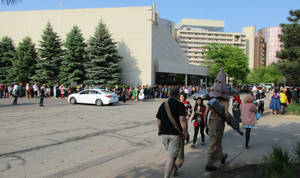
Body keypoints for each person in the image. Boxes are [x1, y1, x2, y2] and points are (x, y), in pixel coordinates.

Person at [156, 87, 188, 178]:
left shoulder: (163, 104)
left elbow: (158, 119)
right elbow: (182, 119)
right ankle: (166, 176)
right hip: (175, 135)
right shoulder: (180, 105)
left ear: (169, 94)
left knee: (171, 154)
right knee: (171, 157)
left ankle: (174, 169)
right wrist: (185, 131)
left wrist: (159, 129)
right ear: (178, 95)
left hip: (164, 135)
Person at [204, 67, 230, 171]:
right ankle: (209, 163)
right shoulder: (225, 101)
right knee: (214, 142)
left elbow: (205, 114)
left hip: (211, 121)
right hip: (219, 122)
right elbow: (227, 115)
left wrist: (206, 125)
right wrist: (229, 121)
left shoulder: (211, 99)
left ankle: (222, 156)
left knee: (217, 141)